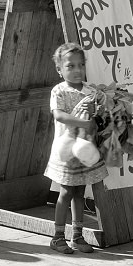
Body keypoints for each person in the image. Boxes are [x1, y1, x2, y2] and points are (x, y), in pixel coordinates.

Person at [44, 42, 108, 254]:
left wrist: (95, 114)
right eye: (70, 66)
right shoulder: (59, 91)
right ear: (59, 70)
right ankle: (57, 237)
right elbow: (59, 115)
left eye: (81, 65)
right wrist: (83, 121)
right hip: (66, 151)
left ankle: (77, 236)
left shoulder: (91, 91)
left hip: (84, 151)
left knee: (80, 192)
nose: (77, 70)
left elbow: (99, 118)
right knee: (66, 192)